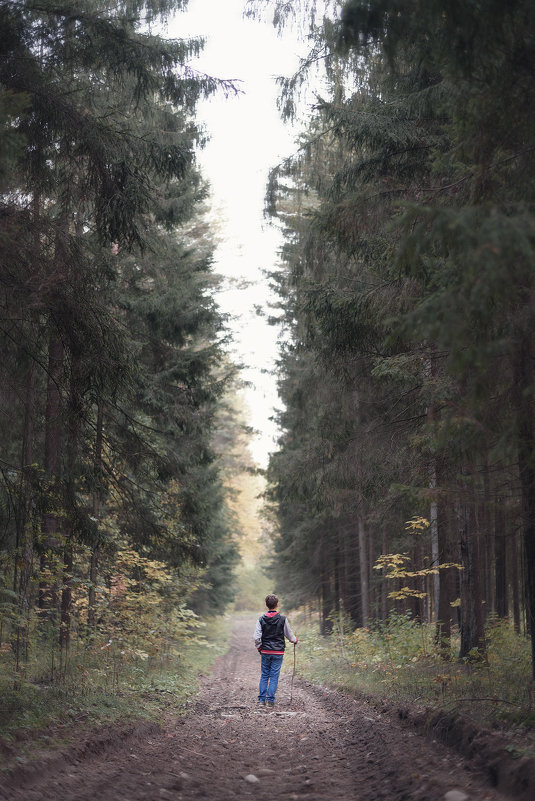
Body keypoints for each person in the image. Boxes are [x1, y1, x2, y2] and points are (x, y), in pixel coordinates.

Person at [253, 593, 297, 708]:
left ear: (266, 605)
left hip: (266, 651)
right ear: (277, 605)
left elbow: (257, 637)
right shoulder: (282, 619)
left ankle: (261, 700)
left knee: (264, 675)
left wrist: (259, 647)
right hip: (278, 652)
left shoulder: (261, 619)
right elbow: (289, 634)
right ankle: (270, 701)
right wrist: (294, 640)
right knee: (274, 676)